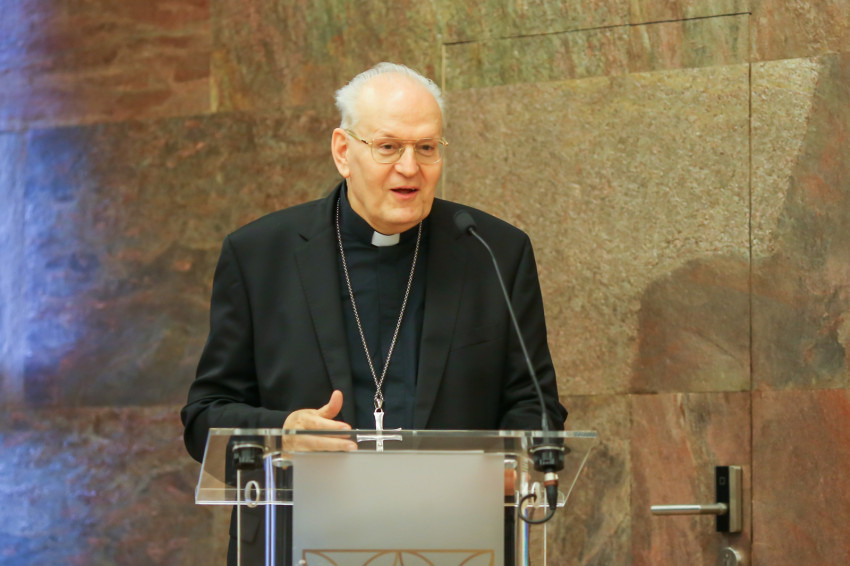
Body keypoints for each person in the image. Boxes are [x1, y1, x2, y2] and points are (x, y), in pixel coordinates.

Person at [181, 62, 567, 564]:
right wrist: (283, 436)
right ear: (343, 151)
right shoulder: (260, 255)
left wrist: (509, 466)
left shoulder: (492, 251)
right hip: (297, 540)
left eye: (426, 147)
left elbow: (536, 404)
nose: (410, 167)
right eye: (388, 147)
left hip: (457, 539)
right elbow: (205, 417)